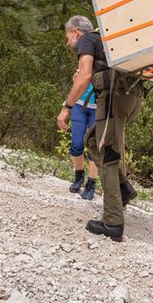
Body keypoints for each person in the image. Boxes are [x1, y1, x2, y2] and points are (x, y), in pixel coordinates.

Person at [57, 15, 142, 242]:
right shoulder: (104, 44)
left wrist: (67, 107)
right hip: (129, 98)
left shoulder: (87, 40)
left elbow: (84, 76)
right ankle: (123, 188)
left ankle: (113, 222)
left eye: (68, 37)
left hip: (115, 97)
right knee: (93, 141)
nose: (68, 43)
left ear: (76, 32)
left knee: (107, 154)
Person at [66, 82, 98, 200]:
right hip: (79, 104)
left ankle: (91, 184)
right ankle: (79, 177)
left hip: (99, 107)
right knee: (76, 144)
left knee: (94, 148)